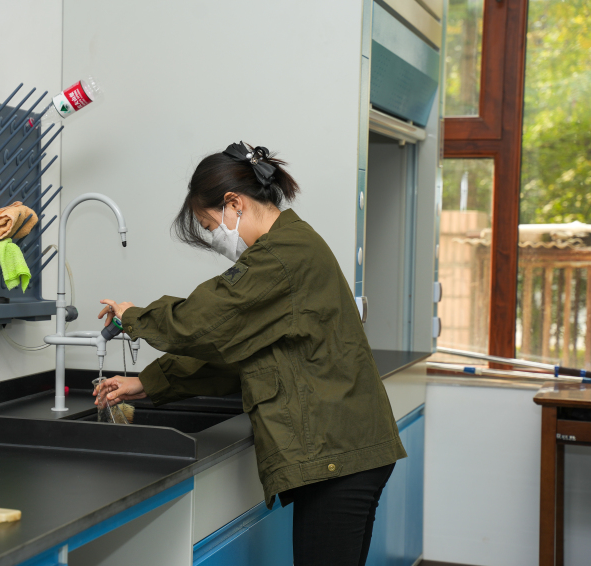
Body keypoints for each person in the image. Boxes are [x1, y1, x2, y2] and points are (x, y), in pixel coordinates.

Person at [94, 142, 406, 566]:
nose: (215, 237)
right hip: (345, 448)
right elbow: (237, 351)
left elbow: (206, 321)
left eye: (210, 225)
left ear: (234, 203)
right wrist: (147, 383)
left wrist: (134, 316)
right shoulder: (289, 246)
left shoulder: (281, 256)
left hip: (339, 453)